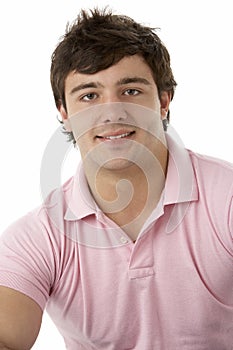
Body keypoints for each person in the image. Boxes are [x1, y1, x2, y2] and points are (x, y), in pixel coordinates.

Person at [0, 7, 233, 350]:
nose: (112, 112)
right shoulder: (37, 237)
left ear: (163, 101)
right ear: (64, 114)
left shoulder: (226, 198)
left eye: (131, 91)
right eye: (89, 95)